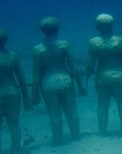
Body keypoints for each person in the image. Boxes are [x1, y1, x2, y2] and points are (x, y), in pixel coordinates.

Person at [31, 17, 86, 145]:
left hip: (48, 84)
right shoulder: (64, 45)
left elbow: (36, 74)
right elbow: (74, 68)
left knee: (54, 114)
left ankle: (58, 140)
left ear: (42, 30)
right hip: (65, 81)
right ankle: (76, 136)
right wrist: (80, 85)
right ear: (57, 28)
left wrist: (34, 93)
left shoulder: (37, 49)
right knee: (72, 111)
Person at [85, 13, 122, 136]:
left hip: (102, 78)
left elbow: (89, 66)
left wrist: (85, 81)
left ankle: (103, 131)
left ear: (97, 26)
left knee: (102, 104)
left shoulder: (93, 43)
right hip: (120, 77)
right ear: (112, 25)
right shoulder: (121, 41)